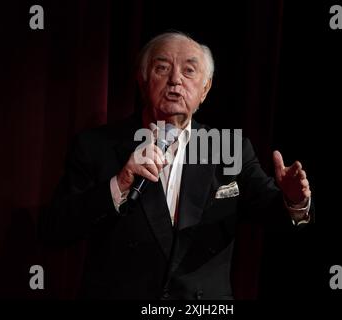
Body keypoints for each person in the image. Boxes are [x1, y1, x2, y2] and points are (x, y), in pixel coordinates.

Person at [39, 32, 313, 300]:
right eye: (162, 68)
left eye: (189, 71)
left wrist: (294, 200)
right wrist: (119, 184)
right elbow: (55, 230)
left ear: (205, 89)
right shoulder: (96, 145)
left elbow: (273, 214)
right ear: (143, 80)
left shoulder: (230, 149)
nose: (175, 80)